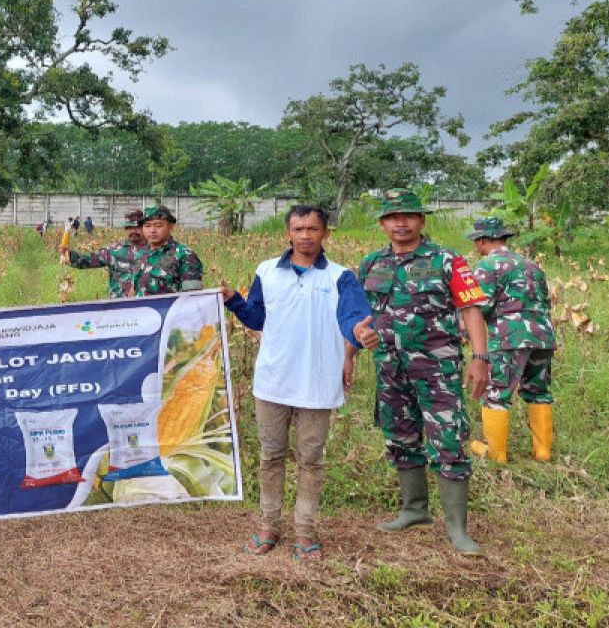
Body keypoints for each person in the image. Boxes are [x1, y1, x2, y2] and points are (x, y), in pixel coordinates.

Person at [222, 205, 372, 561]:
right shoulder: (267, 271)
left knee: (311, 460)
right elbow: (257, 318)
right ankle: (267, 527)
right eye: (298, 229)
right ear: (287, 233)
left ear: (325, 234)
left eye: (313, 229)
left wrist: (360, 333)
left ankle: (305, 531)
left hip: (317, 384)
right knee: (271, 456)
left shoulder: (340, 277)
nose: (305, 235)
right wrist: (233, 301)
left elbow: (353, 316)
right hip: (273, 381)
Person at [356, 188, 490, 556]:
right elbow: (363, 314)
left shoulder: (448, 260)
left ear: (421, 220)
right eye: (393, 217)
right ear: (383, 223)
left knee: (447, 439)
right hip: (390, 367)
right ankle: (414, 509)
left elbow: (472, 310)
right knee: (400, 436)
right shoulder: (371, 264)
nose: (401, 222)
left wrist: (480, 357)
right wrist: (359, 336)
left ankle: (457, 528)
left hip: (437, 368)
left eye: (409, 216)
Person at [465, 217, 557, 463]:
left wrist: (464, 333)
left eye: (477, 242)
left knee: (496, 392)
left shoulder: (488, 265)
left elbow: (479, 308)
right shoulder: (532, 265)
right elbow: (546, 303)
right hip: (543, 336)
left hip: (509, 337)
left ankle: (496, 454)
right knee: (538, 391)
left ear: (483, 240)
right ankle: (542, 451)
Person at [61, 209, 148, 298]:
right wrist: (67, 253)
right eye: (129, 228)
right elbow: (86, 261)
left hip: (149, 306)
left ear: (145, 227)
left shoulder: (155, 251)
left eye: (137, 227)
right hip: (119, 306)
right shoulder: (114, 251)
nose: (133, 231)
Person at [132, 205, 204, 295]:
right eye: (147, 226)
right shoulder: (139, 254)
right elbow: (135, 289)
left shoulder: (184, 255)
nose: (152, 230)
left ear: (171, 227)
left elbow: (193, 296)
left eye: (158, 226)